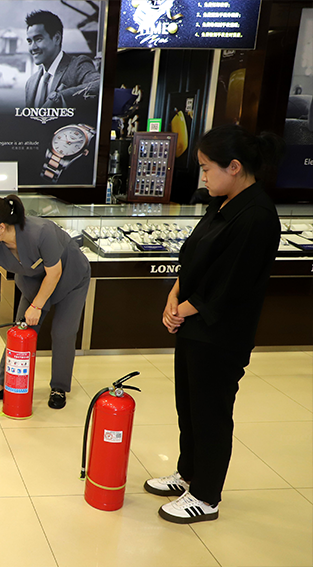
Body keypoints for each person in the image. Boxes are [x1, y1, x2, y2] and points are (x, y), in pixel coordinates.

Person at [146, 125, 284, 524]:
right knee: (188, 407)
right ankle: (188, 474)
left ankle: (206, 496)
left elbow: (230, 286)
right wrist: (174, 296)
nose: (203, 177)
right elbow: (192, 257)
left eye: (207, 168)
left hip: (221, 334)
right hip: (194, 326)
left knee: (210, 413)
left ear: (234, 167)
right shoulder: (221, 203)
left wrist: (182, 310)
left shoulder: (257, 216)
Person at [0, 195, 90, 410]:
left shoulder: (41, 232)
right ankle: (1, 385)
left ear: (1, 227)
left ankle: (59, 387)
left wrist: (37, 306)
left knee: (62, 333)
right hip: (34, 283)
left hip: (70, 279)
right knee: (20, 332)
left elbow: (55, 273)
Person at [23, 10, 100, 109]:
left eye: (38, 39)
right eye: (29, 41)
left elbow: (99, 84)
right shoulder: (30, 83)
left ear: (57, 38)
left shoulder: (78, 66)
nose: (33, 47)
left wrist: (60, 97)